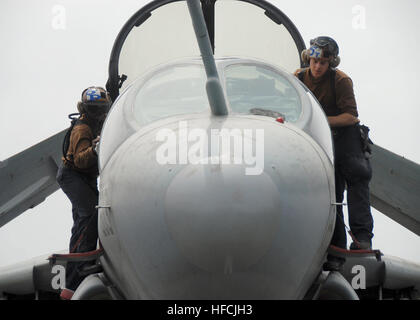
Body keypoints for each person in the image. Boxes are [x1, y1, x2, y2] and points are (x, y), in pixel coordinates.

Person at [294, 36, 374, 271]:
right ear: (309, 58)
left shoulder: (341, 80)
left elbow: (351, 116)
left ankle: (361, 238)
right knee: (331, 185)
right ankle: (336, 244)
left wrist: (320, 119)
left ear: (331, 63)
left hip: (345, 135)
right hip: (320, 135)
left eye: (323, 63)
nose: (317, 67)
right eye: (314, 61)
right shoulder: (298, 78)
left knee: (357, 174)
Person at [56, 86, 111, 298]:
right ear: (86, 110)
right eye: (95, 110)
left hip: (84, 177)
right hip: (72, 176)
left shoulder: (99, 124)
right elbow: (80, 159)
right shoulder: (82, 129)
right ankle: (79, 266)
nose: (100, 114)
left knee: (84, 217)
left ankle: (78, 266)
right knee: (89, 214)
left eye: (102, 109)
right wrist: (96, 148)